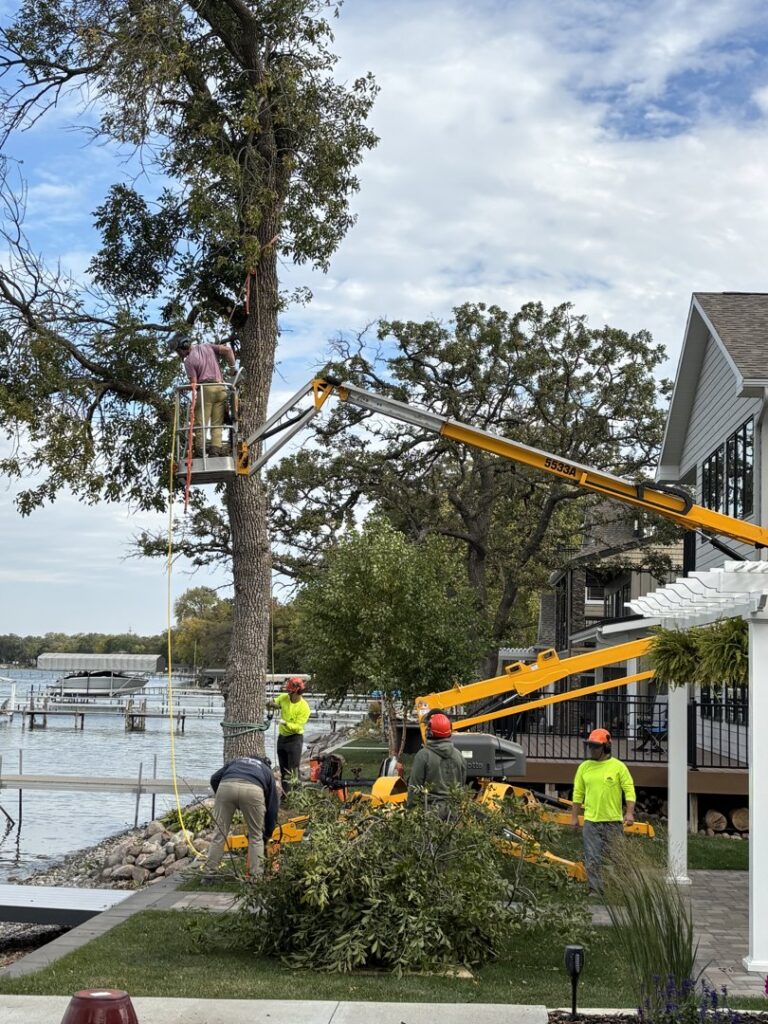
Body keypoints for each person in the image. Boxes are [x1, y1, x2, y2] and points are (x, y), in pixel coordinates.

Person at [569, 727, 636, 896]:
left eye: (595, 746)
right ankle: (595, 889)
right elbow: (578, 793)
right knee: (592, 858)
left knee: (619, 857)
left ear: (606, 747)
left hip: (613, 821)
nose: (591, 749)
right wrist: (575, 817)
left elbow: (629, 790)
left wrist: (629, 813)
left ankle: (624, 888)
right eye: (590, 746)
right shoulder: (584, 767)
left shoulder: (618, 767)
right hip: (591, 822)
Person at [205, 754, 279, 880]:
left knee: (219, 833)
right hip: (253, 790)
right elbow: (272, 808)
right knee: (256, 836)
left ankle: (209, 874)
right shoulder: (267, 771)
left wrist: (223, 799)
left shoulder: (236, 761)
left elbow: (214, 778)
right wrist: (267, 833)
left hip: (226, 787)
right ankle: (256, 877)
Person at [174, 336, 236, 456]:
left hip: (206, 390)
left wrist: (182, 388)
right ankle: (215, 450)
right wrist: (233, 369)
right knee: (217, 423)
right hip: (221, 388)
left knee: (201, 423)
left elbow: (194, 384)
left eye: (179, 351)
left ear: (184, 348)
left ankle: (199, 450)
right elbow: (228, 351)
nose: (179, 354)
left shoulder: (189, 361)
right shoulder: (207, 346)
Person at [407, 712, 467, 813]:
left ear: (429, 732)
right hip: (453, 812)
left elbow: (414, 787)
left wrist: (410, 811)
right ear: (449, 732)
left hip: (430, 813)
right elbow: (462, 785)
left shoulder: (423, 756)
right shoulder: (459, 756)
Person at [270, 676, 311, 795]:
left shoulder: (304, 707)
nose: (288, 694)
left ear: (296, 692)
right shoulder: (284, 698)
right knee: (283, 770)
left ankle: (296, 795)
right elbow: (274, 702)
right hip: (282, 738)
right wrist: (270, 704)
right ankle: (285, 795)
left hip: (294, 740)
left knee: (293, 770)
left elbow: (298, 727)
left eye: (290, 692)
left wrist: (285, 723)